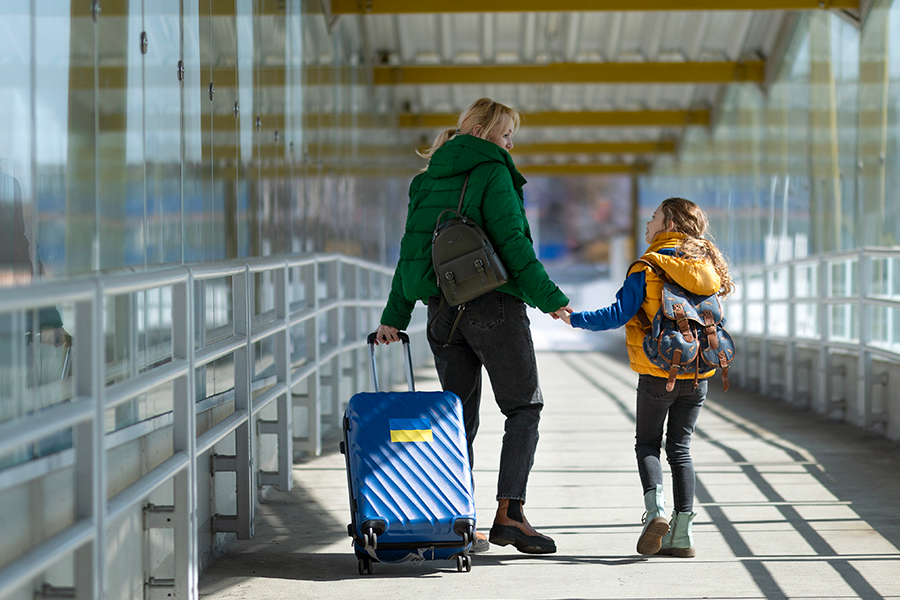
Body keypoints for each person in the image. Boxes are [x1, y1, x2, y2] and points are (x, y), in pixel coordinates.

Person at [374, 98, 571, 555]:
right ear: (483, 132)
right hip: (493, 306)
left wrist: (393, 316)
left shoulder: (425, 182)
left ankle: (452, 519)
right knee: (523, 407)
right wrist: (552, 301)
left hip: (441, 314)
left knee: (455, 420)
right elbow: (514, 246)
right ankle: (510, 516)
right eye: (506, 134)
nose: (511, 143)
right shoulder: (493, 172)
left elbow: (411, 254)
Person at [559, 197, 734, 558]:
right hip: (699, 372)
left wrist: (575, 318)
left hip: (658, 371)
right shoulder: (707, 267)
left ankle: (655, 512)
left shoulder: (648, 266)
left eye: (654, 217)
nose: (647, 222)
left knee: (647, 444)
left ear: (669, 224)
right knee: (681, 450)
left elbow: (617, 314)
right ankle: (682, 534)